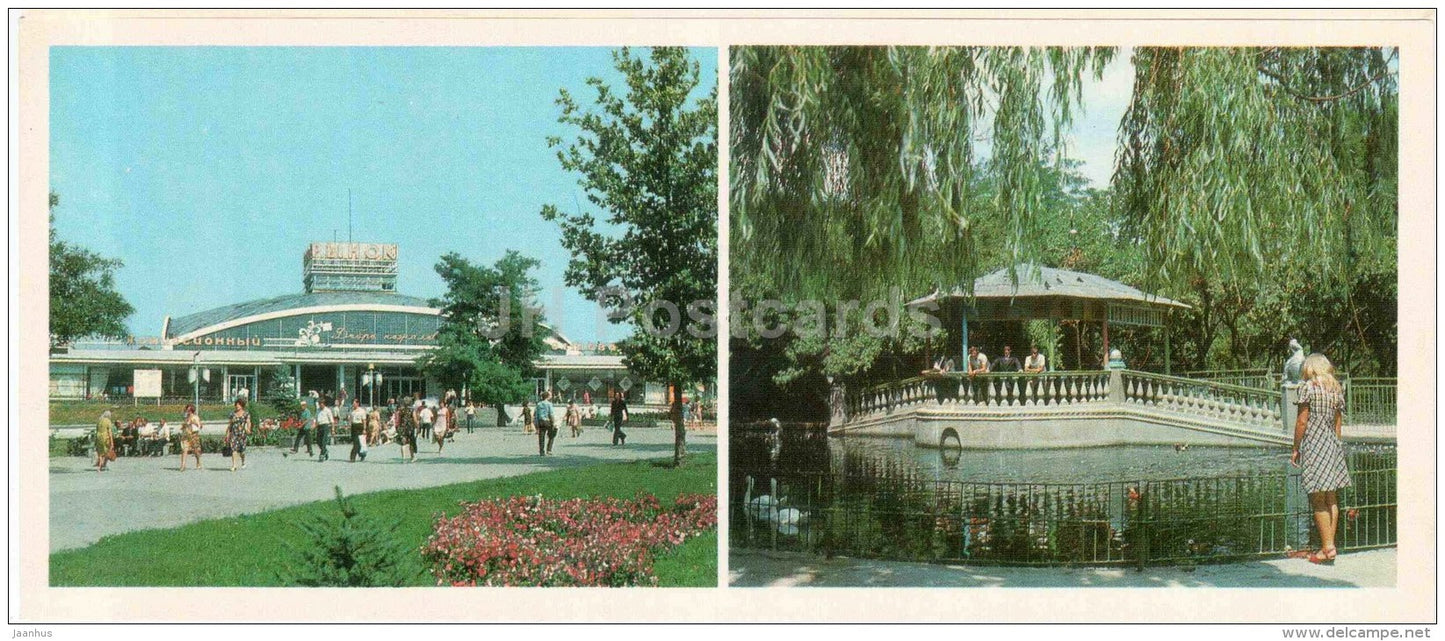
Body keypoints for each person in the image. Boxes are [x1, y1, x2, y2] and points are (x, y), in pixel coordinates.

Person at [1291, 353, 1352, 565]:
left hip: (1315, 444)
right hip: (1332, 444)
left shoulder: (1308, 388)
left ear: (1310, 368)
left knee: (1317, 497)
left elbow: (1301, 421)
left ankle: (1327, 548)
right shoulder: (1336, 388)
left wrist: (1295, 448)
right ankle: (1329, 546)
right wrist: (1336, 445)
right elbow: (1338, 423)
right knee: (1331, 497)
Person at [225, 398, 251, 472]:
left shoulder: (246, 414)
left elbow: (249, 422)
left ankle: (243, 461)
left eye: (239, 404)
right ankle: (234, 465)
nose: (237, 406)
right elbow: (230, 425)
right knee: (234, 449)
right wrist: (227, 434)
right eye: (236, 405)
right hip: (234, 434)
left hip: (242, 434)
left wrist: (248, 429)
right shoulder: (232, 414)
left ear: (242, 405)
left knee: (242, 451)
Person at [180, 404, 203, 471]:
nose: (188, 411)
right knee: (184, 450)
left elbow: (200, 426)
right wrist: (183, 426)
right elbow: (184, 426)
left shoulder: (195, 417)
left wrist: (195, 423)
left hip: (193, 435)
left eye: (189, 410)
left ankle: (198, 461)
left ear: (192, 410)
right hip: (186, 435)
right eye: (187, 410)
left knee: (196, 451)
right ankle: (183, 465)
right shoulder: (186, 418)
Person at [395, 396, 417, 463]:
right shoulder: (412, 410)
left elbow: (399, 419)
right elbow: (414, 418)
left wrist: (398, 427)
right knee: (411, 442)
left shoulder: (401, 410)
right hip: (410, 427)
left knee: (403, 443)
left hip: (403, 427)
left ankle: (404, 458)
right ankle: (412, 457)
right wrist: (417, 426)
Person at [534, 391, 557, 456]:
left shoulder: (539, 404)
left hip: (541, 421)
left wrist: (536, 423)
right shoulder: (549, 404)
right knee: (551, 435)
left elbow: (536, 415)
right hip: (548, 421)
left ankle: (541, 451)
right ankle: (549, 449)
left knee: (541, 437)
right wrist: (553, 422)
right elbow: (551, 414)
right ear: (547, 396)